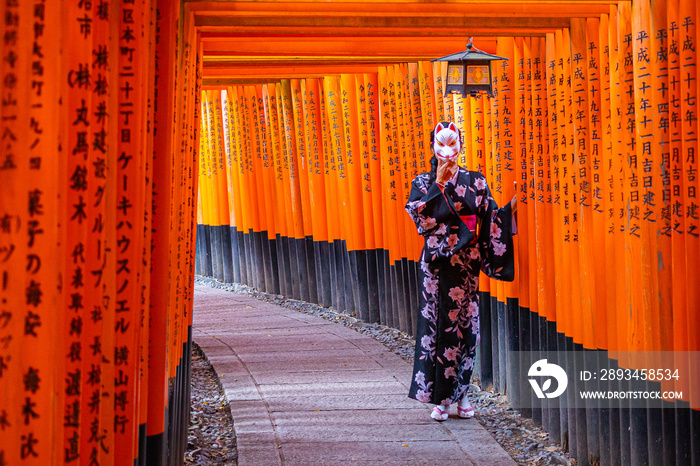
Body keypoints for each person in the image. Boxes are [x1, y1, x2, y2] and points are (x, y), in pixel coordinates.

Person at [405, 121, 516, 421]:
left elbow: (490, 216)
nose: (447, 151)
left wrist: (506, 213)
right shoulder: (422, 182)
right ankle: (440, 400)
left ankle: (463, 393)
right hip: (436, 267)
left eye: (453, 144)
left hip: (466, 264)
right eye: (440, 144)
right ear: (432, 147)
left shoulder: (476, 181)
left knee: (466, 329)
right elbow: (422, 222)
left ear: (461, 146)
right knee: (438, 329)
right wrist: (438, 187)